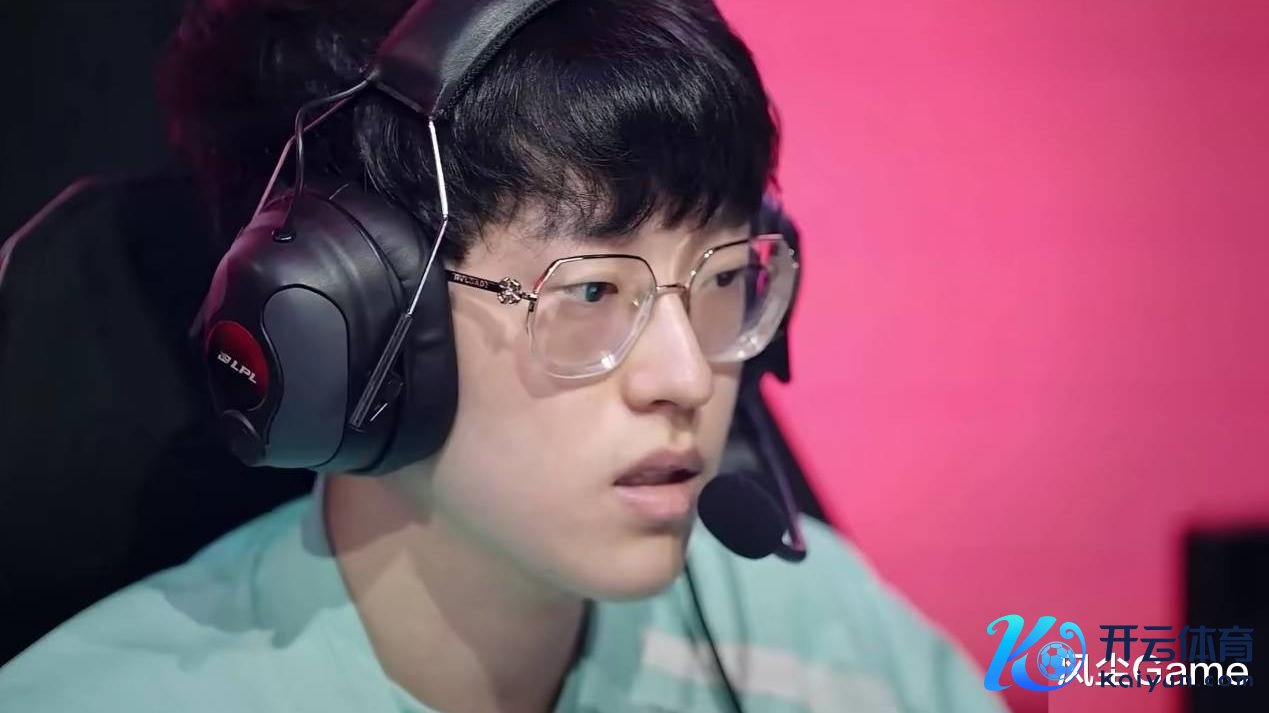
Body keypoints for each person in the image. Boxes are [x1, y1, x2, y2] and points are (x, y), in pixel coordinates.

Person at [0, 1, 1007, 711]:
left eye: (721, 278)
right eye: (592, 291)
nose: (686, 379)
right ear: (355, 325)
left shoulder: (826, 640)